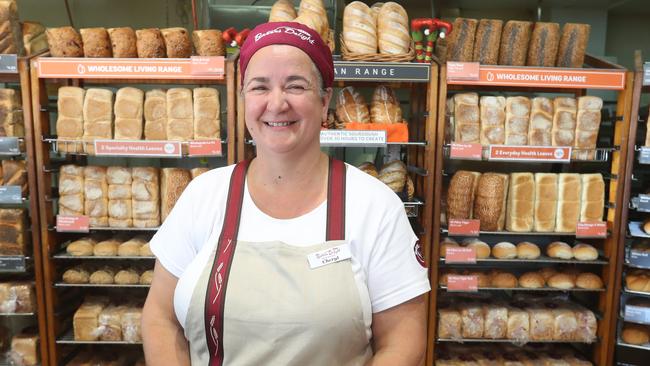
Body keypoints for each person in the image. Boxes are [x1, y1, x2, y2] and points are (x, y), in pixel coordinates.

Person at [142, 21, 430, 365]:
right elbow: (160, 318)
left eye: (295, 86)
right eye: (260, 87)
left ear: (325, 103)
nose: (276, 104)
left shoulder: (375, 206)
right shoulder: (203, 196)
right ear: (243, 99)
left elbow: (404, 341)